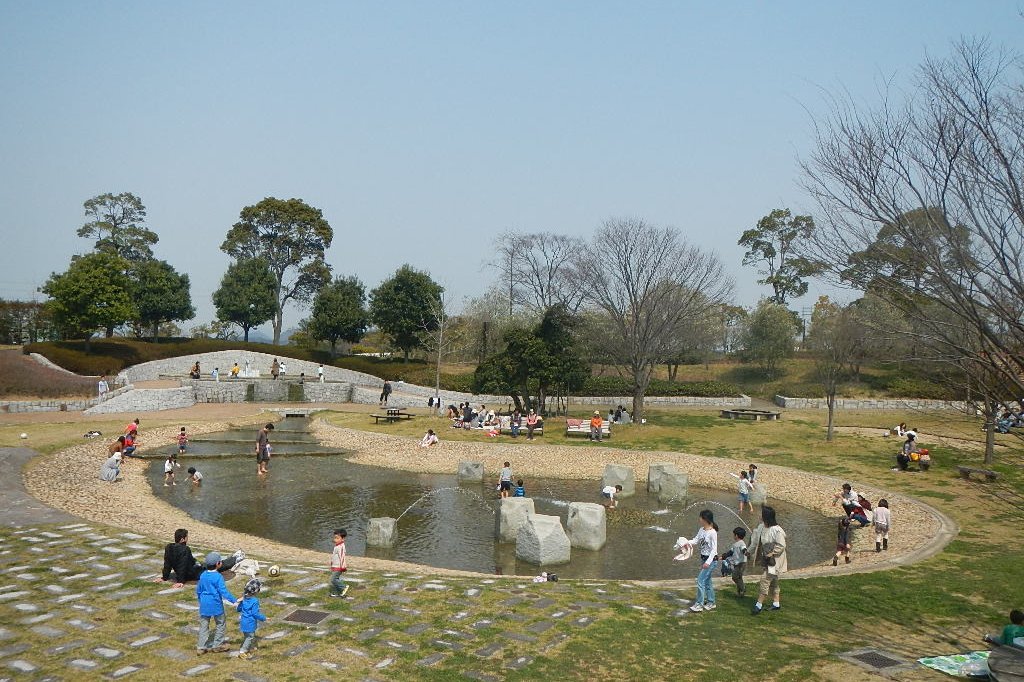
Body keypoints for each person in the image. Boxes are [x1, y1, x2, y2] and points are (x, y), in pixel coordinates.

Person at [154, 529, 241, 587]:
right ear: (182, 539)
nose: (188, 539)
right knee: (215, 566)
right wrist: (180, 581)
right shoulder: (185, 549)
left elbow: (167, 563)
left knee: (207, 563)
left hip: (193, 568)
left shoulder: (169, 547)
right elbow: (182, 565)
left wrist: (164, 577)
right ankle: (236, 558)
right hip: (193, 573)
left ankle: (233, 558)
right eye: (187, 537)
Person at [196, 552, 238, 654]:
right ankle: (217, 645)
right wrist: (234, 600)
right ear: (218, 563)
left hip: (204, 604)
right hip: (216, 605)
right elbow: (223, 592)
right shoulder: (218, 577)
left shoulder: (203, 575)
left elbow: (199, 590)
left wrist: (200, 600)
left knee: (204, 626)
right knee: (220, 623)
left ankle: (201, 647)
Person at [749, 505, 787, 615]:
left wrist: (772, 553)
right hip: (767, 559)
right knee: (773, 581)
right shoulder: (761, 527)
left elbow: (781, 545)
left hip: (775, 560)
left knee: (765, 580)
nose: (759, 515)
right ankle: (776, 603)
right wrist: (749, 552)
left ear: (765, 516)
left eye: (761, 514)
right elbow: (755, 543)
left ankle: (758, 605)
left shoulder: (777, 530)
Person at [683, 509, 719, 612]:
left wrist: (708, 563)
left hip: (711, 560)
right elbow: (695, 540)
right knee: (707, 581)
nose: (699, 519)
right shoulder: (701, 530)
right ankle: (711, 602)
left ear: (705, 519)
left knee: (700, 580)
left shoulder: (712, 533)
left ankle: (699, 604)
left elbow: (714, 550)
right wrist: (686, 542)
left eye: (700, 517)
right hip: (704, 558)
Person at [236, 578, 266, 659]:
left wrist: (240, 602)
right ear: (256, 591)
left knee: (247, 636)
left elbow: (238, 609)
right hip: (250, 623)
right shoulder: (255, 601)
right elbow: (255, 614)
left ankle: (250, 648)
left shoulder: (244, 599)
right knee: (250, 637)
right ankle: (242, 652)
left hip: (243, 622)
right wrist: (264, 618)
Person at [724, 527, 748, 597]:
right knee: (739, 577)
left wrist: (746, 552)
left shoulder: (741, 543)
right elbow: (730, 552)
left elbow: (744, 549)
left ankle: (743, 588)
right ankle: (740, 593)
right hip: (736, 563)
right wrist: (723, 557)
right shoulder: (735, 544)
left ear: (736, 535)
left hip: (741, 564)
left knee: (734, 577)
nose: (733, 536)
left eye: (733, 534)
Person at [328, 528, 349, 598]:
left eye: (337, 538)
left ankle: (344, 587)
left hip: (339, 566)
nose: (335, 540)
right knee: (334, 580)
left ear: (343, 539)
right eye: (334, 538)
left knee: (333, 579)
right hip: (335, 566)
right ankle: (337, 593)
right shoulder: (337, 546)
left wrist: (343, 566)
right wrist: (332, 563)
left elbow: (342, 557)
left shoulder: (341, 547)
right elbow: (334, 556)